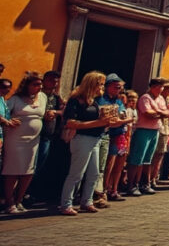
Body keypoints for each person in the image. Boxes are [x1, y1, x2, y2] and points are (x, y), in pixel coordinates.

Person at [59, 71, 114, 215]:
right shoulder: (76, 100)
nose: (102, 87)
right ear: (92, 84)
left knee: (94, 173)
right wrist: (98, 123)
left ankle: (87, 201)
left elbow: (98, 122)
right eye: (100, 84)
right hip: (82, 139)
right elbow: (70, 122)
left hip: (95, 139)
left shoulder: (94, 101)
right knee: (76, 174)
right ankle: (66, 204)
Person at [1, 72, 46, 213]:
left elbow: (44, 113)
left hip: (33, 141)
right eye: (35, 84)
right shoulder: (16, 99)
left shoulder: (43, 97)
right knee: (12, 171)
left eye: (40, 84)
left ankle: (19, 200)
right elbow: (4, 113)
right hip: (15, 140)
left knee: (28, 171)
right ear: (27, 85)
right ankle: (10, 202)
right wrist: (9, 121)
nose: (39, 87)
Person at [127, 78, 169, 196]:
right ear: (153, 87)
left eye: (162, 86)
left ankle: (145, 183)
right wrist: (159, 112)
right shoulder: (145, 98)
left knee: (148, 159)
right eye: (159, 86)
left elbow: (167, 113)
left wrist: (157, 112)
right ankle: (131, 185)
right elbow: (147, 113)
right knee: (137, 159)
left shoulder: (161, 99)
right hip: (143, 130)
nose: (161, 89)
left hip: (155, 130)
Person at [28, 70, 64, 204]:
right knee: (30, 165)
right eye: (51, 80)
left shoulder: (56, 97)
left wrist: (56, 112)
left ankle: (32, 192)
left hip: (48, 135)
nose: (54, 83)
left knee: (40, 165)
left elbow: (63, 109)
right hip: (34, 135)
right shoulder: (37, 95)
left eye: (56, 81)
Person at [97, 74, 130, 204]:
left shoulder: (119, 101)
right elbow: (111, 119)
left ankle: (113, 189)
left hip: (119, 134)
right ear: (108, 86)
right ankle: (102, 191)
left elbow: (121, 117)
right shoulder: (100, 99)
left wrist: (122, 120)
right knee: (105, 164)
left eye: (120, 87)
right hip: (105, 135)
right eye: (116, 87)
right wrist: (121, 120)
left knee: (118, 163)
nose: (119, 90)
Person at [153, 82, 169, 185]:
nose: (168, 90)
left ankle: (155, 176)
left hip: (167, 128)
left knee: (162, 153)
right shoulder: (156, 99)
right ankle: (149, 177)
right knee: (153, 154)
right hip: (157, 127)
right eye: (166, 87)